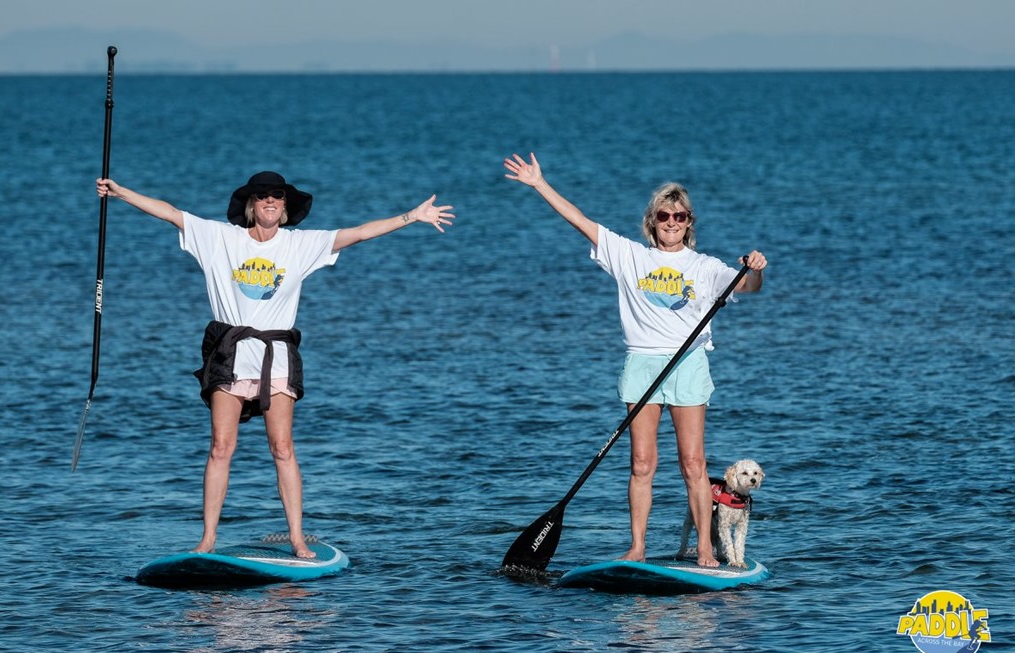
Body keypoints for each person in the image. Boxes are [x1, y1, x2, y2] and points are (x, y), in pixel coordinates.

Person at [96, 171, 454, 556]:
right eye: (263, 196)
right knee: (220, 447)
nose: (270, 202)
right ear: (251, 204)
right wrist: (120, 193)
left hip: (277, 357)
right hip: (229, 355)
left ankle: (298, 539)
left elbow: (360, 232)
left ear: (285, 206)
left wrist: (411, 216)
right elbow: (170, 213)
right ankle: (207, 540)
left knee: (282, 448)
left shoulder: (299, 245)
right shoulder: (220, 238)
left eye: (278, 197)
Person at [503, 153, 765, 567]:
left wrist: (754, 269)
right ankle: (638, 547)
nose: (673, 222)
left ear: (689, 222)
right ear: (653, 220)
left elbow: (748, 286)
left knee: (693, 463)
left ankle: (702, 548)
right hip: (642, 364)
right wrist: (539, 184)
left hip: (688, 364)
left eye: (681, 216)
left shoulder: (705, 266)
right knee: (642, 463)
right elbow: (581, 221)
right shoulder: (630, 256)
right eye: (665, 215)